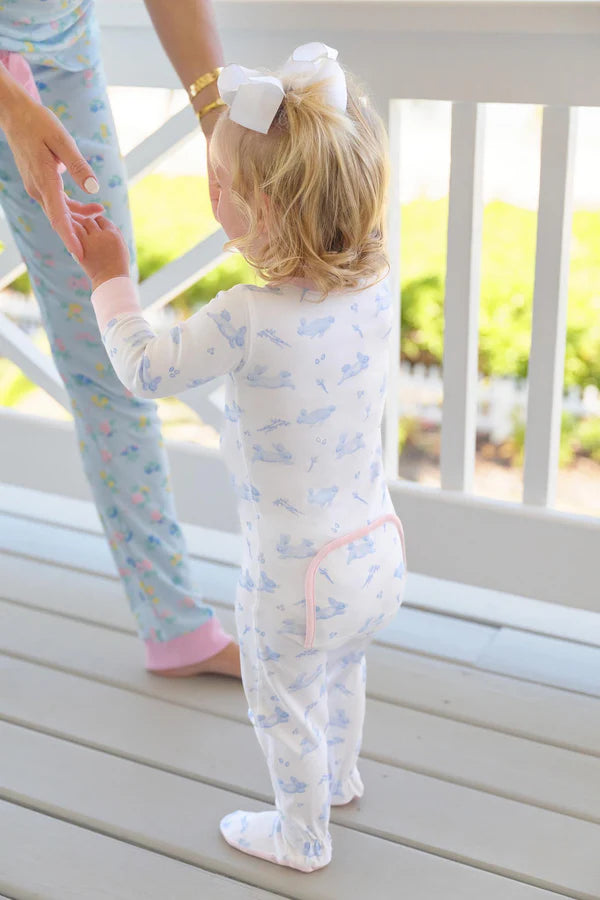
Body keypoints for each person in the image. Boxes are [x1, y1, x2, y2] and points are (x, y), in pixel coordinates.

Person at [72, 42, 407, 872]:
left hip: (292, 578)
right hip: (378, 552)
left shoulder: (244, 317)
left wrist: (111, 278)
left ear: (256, 215)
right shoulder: (376, 287)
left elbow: (145, 368)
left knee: (283, 700)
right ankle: (338, 779)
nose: (210, 191)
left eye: (220, 184)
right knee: (341, 670)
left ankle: (301, 837)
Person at [0, 1, 240, 677]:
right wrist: (11, 107)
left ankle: (175, 627)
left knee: (110, 337)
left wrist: (217, 118)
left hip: (60, 62)